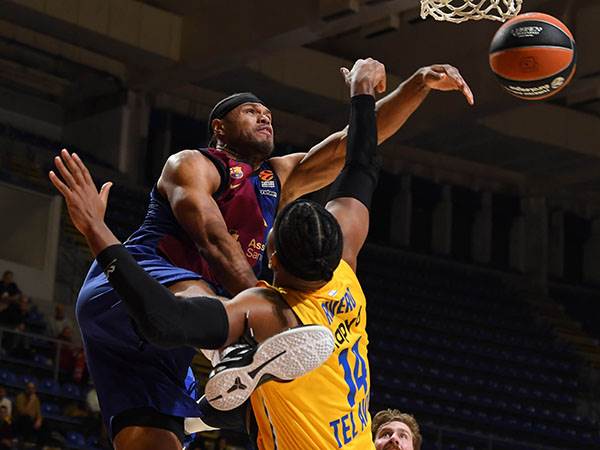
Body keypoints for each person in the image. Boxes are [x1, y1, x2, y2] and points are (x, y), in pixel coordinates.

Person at [51, 57, 472, 450]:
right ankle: (237, 361)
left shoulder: (279, 176)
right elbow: (214, 242)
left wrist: (418, 86)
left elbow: (356, 148)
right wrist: (265, 315)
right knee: (205, 298)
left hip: (184, 330)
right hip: (131, 285)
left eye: (268, 112)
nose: (264, 115)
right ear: (219, 127)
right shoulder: (192, 164)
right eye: (251, 111)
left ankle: (236, 373)